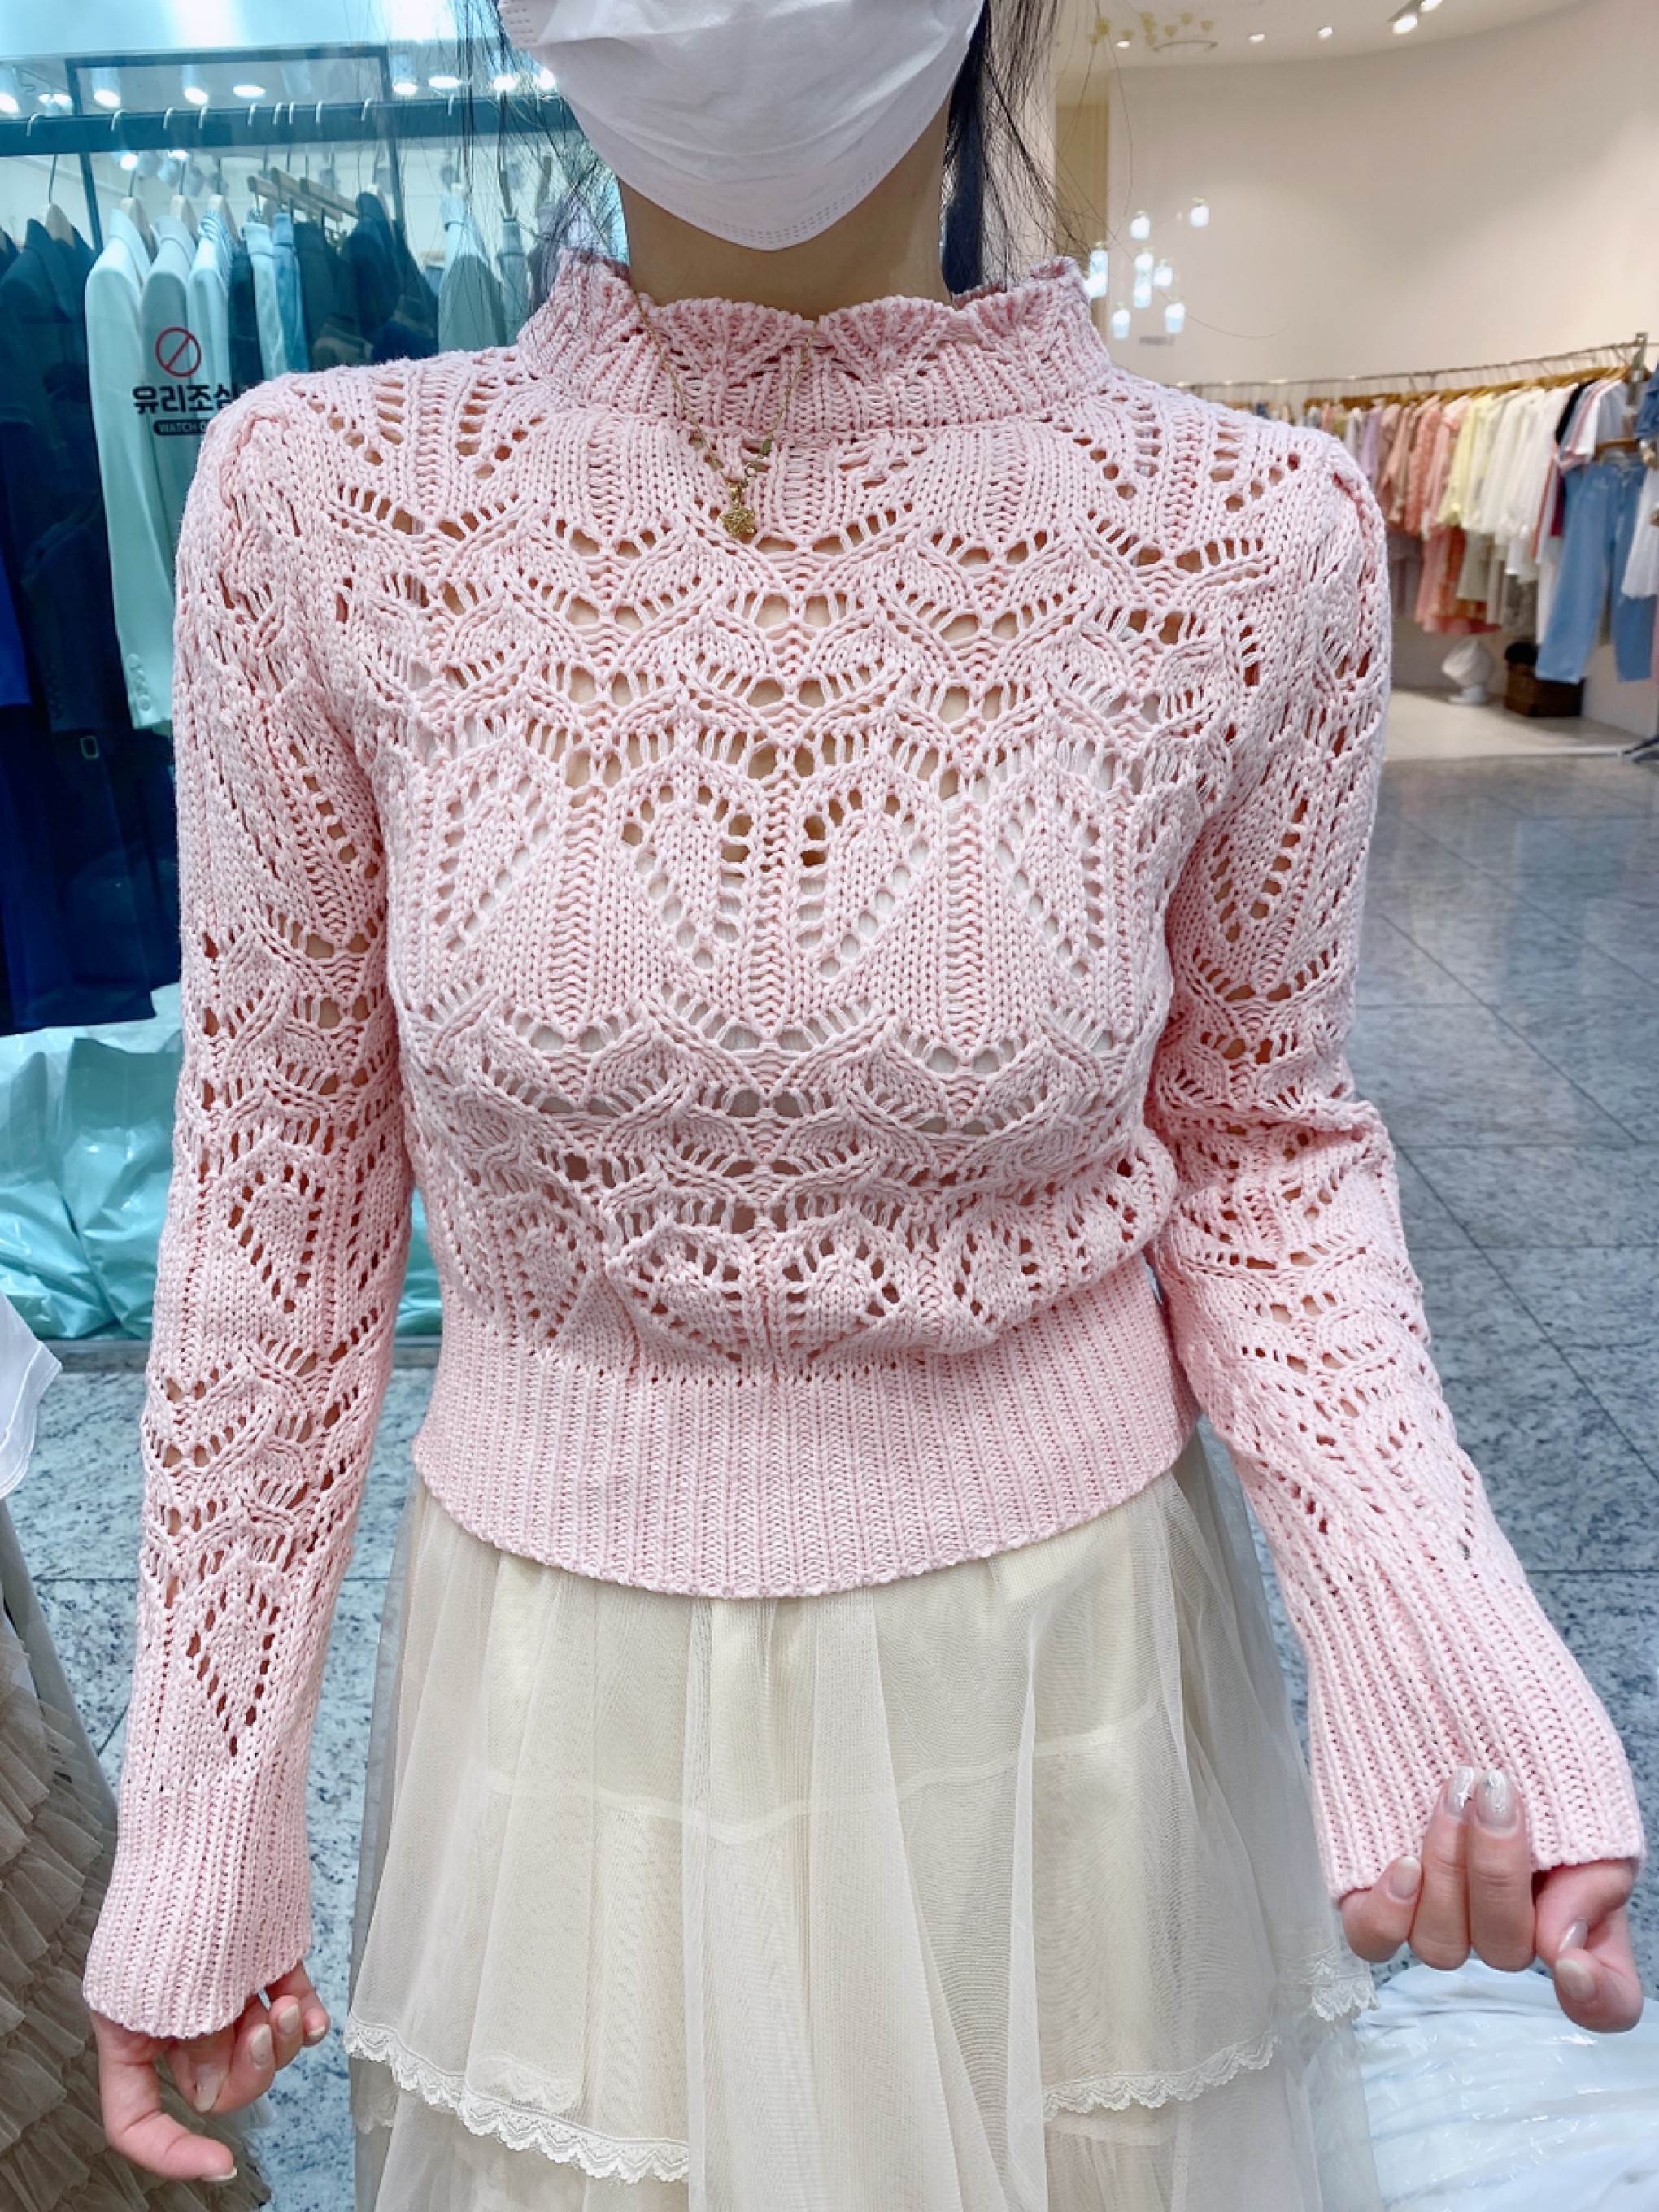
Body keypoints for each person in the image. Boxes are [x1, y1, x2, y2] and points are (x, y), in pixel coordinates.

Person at [85, 1, 1644, 2205]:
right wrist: (202, 1810)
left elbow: (1266, 1154)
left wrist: (1438, 1633)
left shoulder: (1243, 539)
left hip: (1059, 1695)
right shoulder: (327, 509)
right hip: (558, 1721)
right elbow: (281, 1195)